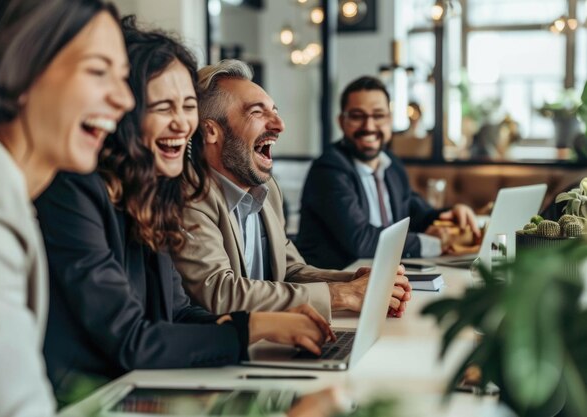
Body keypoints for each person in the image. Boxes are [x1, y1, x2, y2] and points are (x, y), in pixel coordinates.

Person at [34, 18, 334, 407]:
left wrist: (264, 328)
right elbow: (131, 339)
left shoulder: (155, 193)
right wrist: (252, 328)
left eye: (188, 106)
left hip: (139, 393)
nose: (182, 123)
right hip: (85, 403)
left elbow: (177, 313)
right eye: (163, 107)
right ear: (125, 112)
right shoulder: (73, 191)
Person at [0, 1, 134, 416]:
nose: (125, 99)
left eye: (124, 78)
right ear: (19, 68)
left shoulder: (0, 184)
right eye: (97, 71)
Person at [173, 60, 411, 321]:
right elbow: (220, 293)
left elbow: (289, 270)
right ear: (211, 131)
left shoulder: (267, 190)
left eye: (275, 111)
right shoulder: (188, 193)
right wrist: (342, 295)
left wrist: (356, 281)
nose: (279, 124)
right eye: (257, 112)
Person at [296, 76, 480, 270]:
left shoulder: (392, 166)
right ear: (342, 122)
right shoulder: (328, 169)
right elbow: (362, 241)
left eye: (378, 115)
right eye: (358, 116)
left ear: (389, 120)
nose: (369, 126)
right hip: (335, 285)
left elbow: (418, 214)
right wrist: (433, 243)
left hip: (385, 275)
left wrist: (450, 214)